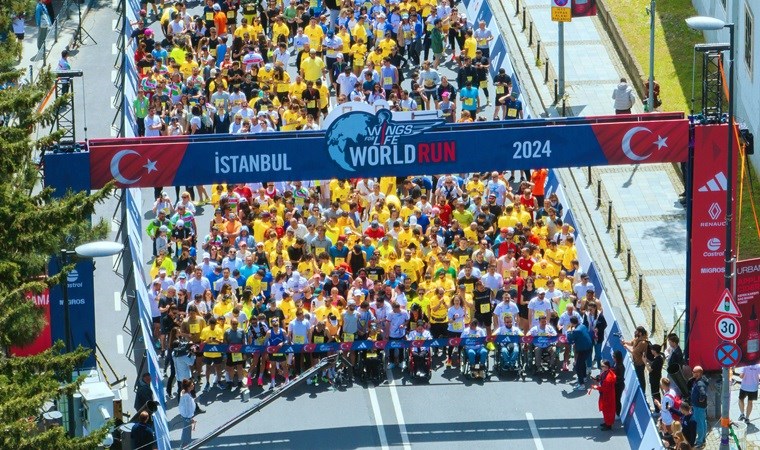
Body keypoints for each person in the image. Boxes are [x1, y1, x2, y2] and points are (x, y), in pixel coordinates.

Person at [624, 326, 650, 400]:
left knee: (641, 378)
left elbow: (634, 352)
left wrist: (626, 347)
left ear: (640, 333)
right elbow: (632, 343)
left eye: (637, 331)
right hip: (636, 361)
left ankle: (643, 393)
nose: (635, 332)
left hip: (639, 363)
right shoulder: (637, 338)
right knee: (638, 377)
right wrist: (625, 342)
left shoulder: (643, 342)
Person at [567, 316, 592, 389]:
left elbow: (570, 339)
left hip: (583, 350)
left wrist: (569, 331)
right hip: (588, 348)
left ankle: (582, 385)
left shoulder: (576, 331)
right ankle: (584, 377)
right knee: (583, 363)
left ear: (571, 323)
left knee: (578, 367)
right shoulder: (583, 326)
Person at [592, 360, 617, 430]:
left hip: (607, 396)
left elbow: (604, 388)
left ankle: (608, 425)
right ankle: (607, 422)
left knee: (607, 410)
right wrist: (597, 379)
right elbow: (601, 378)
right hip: (606, 395)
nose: (601, 367)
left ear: (606, 367)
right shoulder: (606, 372)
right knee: (605, 410)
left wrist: (596, 387)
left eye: (602, 366)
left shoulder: (609, 378)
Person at [687, 366, 708, 446]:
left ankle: (700, 442)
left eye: (694, 372)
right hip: (701, 407)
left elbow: (703, 394)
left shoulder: (699, 384)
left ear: (698, 373)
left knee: (699, 424)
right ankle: (703, 438)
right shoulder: (701, 380)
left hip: (699, 407)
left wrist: (700, 400)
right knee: (703, 422)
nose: (692, 373)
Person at [647, 344, 664, 415]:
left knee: (655, 394)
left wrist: (645, 361)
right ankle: (658, 408)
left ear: (654, 351)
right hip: (655, 378)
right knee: (656, 393)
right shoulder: (658, 358)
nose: (651, 350)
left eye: (652, 349)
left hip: (655, 379)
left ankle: (657, 410)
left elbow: (650, 369)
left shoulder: (658, 360)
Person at [179, 379, 196, 446]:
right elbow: (187, 409)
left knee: (186, 430)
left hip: (185, 416)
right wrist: (189, 418)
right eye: (192, 384)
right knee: (187, 431)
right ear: (188, 387)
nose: (193, 385)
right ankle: (185, 445)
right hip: (187, 416)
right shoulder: (187, 397)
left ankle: (185, 443)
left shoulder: (184, 392)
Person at [613, 350, 626, 417]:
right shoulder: (615, 364)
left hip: (619, 385)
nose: (613, 358)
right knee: (614, 399)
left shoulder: (620, 366)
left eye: (614, 357)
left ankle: (617, 414)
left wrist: (613, 376)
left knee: (617, 399)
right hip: (615, 385)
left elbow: (620, 377)